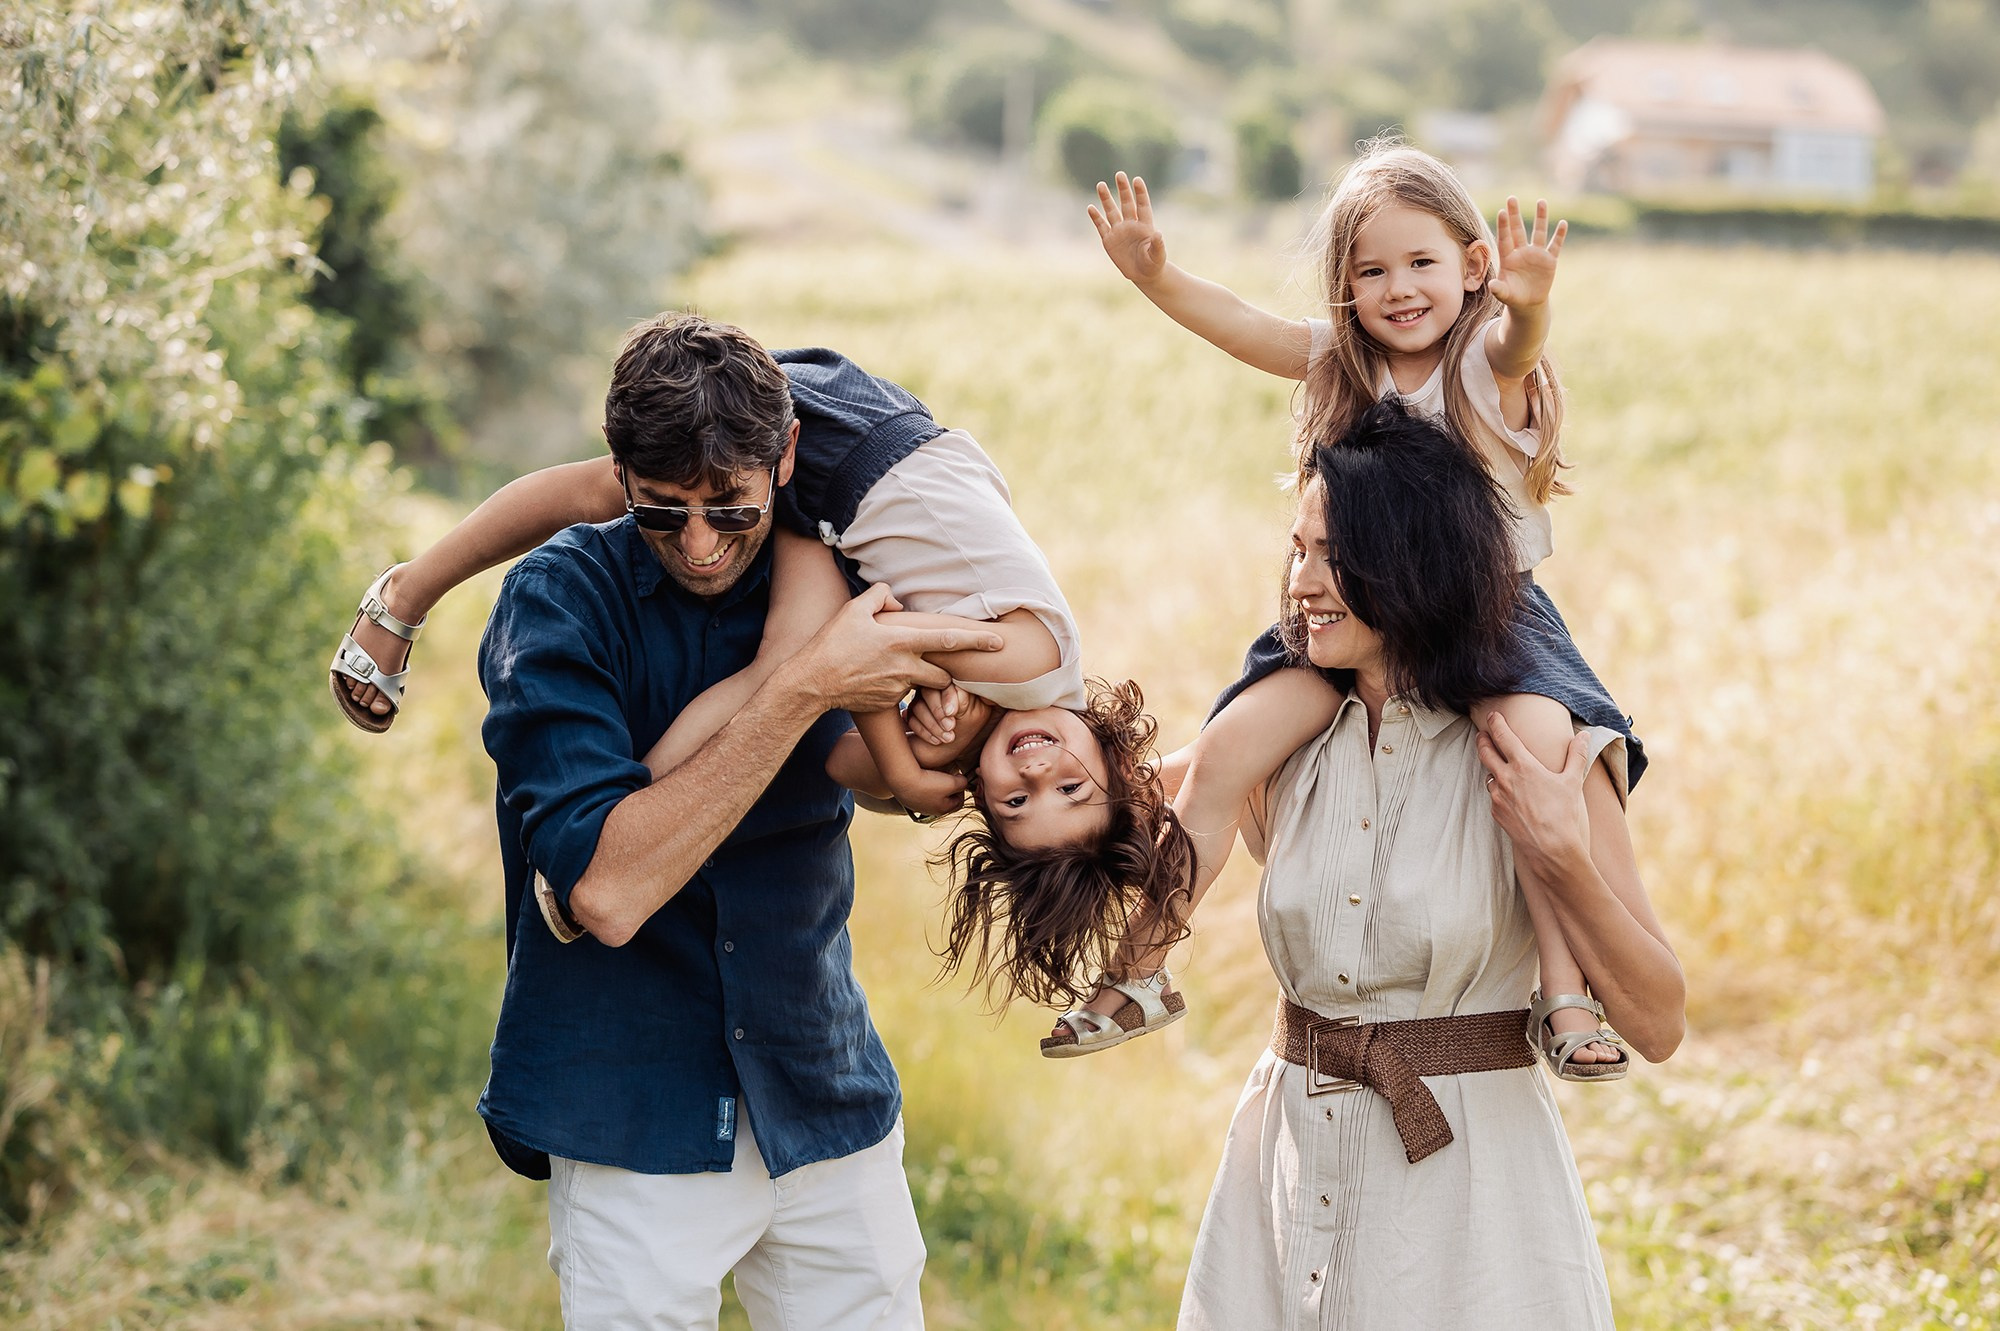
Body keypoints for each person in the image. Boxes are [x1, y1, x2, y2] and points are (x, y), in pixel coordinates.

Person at [329, 320, 1194, 1013]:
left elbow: (840, 723)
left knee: (777, 670)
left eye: (1015, 802)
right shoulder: (1042, 659)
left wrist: (928, 763)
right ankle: (406, 594)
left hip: (835, 524)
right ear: (1118, 760)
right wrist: (919, 736)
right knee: (608, 490)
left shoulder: (976, 723)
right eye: (1074, 788)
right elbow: (881, 642)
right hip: (862, 443)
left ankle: (606, 831)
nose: (1040, 772)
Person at [472, 313, 1011, 1327]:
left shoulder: (836, 561)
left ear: (787, 455)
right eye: (660, 515)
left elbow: (866, 772)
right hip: (632, 1107)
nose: (700, 545)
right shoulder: (554, 603)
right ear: (619, 474)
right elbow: (608, 887)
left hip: (822, 1084)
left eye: (731, 511)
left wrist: (936, 736)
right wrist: (800, 683)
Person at [1080, 138, 1639, 1076]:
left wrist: (1531, 300)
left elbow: (1516, 342)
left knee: (1533, 758)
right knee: (1223, 752)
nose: (1399, 288)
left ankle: (1566, 992)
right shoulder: (1345, 361)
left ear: (1472, 266)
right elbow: (1242, 327)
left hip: (1486, 612)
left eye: (1422, 263)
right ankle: (1140, 967)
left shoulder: (1479, 368)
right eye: (1371, 271)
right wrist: (1157, 277)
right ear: (1346, 287)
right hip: (1352, 611)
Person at [1165, 402, 1684, 1329]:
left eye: (1332, 554)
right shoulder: (1283, 741)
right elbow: (1143, 796)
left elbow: (1658, 1018)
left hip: (1471, 1229)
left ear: (1410, 561)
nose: (1301, 581)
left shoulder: (1537, 743)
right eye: (1297, 548)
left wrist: (1562, 855)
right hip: (1282, 1182)